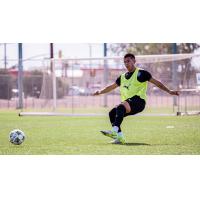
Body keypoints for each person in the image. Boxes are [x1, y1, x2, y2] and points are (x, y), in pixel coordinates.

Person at [93, 53, 179, 144]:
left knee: (120, 106)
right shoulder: (122, 77)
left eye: (128, 61)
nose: (126, 63)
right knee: (112, 113)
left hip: (139, 102)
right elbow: (111, 87)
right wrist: (99, 92)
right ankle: (120, 138)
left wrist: (169, 91)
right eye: (125, 62)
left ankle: (114, 131)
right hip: (128, 103)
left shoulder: (142, 73)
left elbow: (157, 83)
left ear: (134, 61)